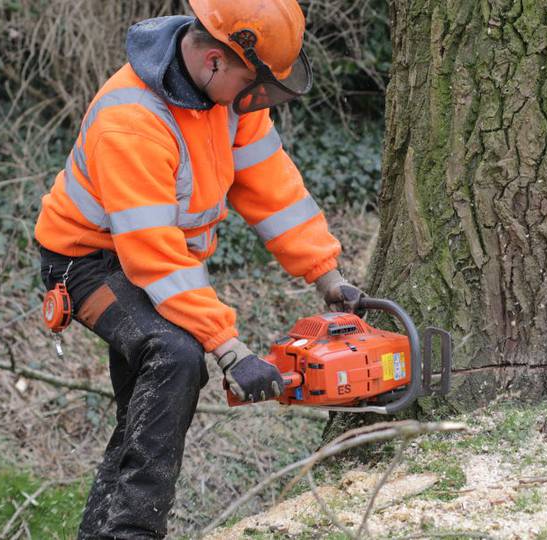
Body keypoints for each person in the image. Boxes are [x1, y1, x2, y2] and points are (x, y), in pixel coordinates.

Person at [33, 0, 363, 537]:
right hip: (86, 263)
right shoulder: (133, 122)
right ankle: (131, 531)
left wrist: (328, 274)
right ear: (213, 60)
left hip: (155, 259)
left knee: (144, 413)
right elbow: (153, 256)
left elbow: (273, 190)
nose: (259, 98)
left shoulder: (229, 99)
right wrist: (231, 349)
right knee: (176, 356)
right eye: (254, 83)